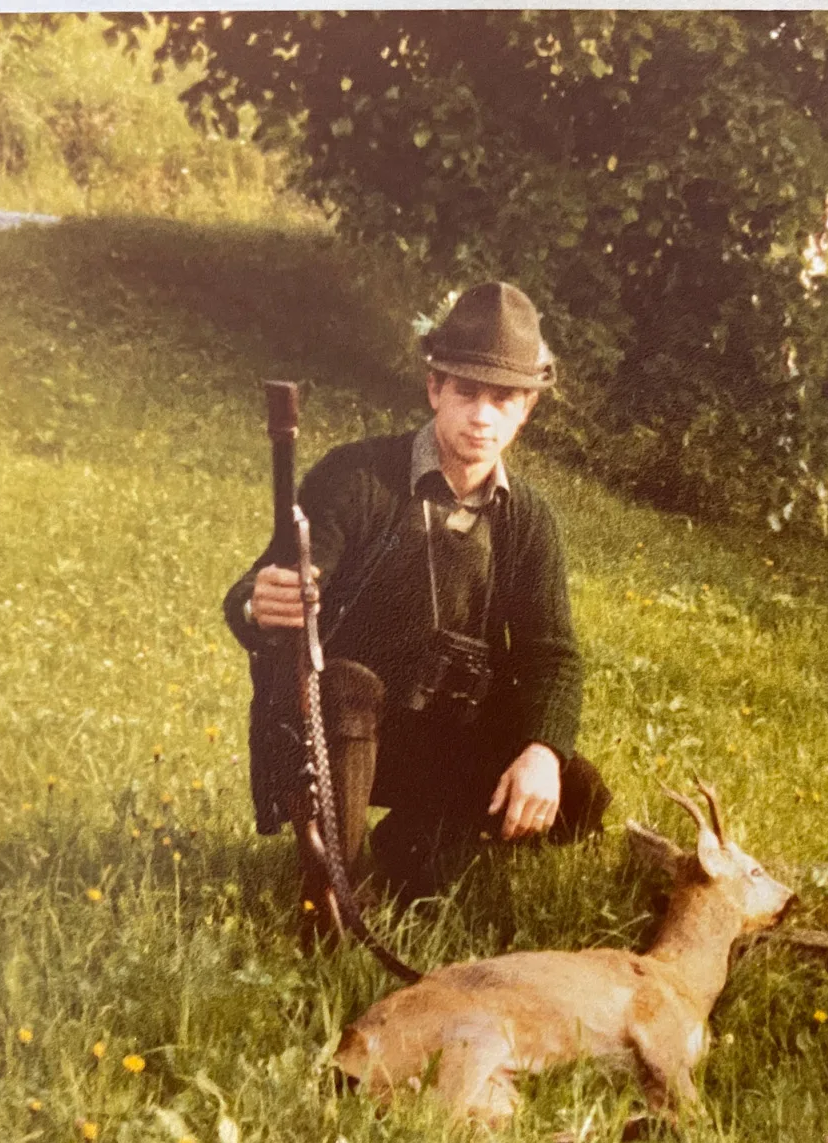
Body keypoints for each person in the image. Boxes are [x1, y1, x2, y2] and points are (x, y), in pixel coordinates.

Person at [226, 282, 612, 908]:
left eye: (503, 398)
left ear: (526, 411)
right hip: (340, 733)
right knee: (350, 685)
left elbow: (553, 654)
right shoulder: (357, 476)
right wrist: (258, 604)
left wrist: (542, 750)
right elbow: (268, 583)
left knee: (577, 794)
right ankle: (338, 889)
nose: (481, 416)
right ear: (435, 388)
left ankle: (418, 837)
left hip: (445, 736)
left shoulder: (530, 519)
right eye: (465, 391)